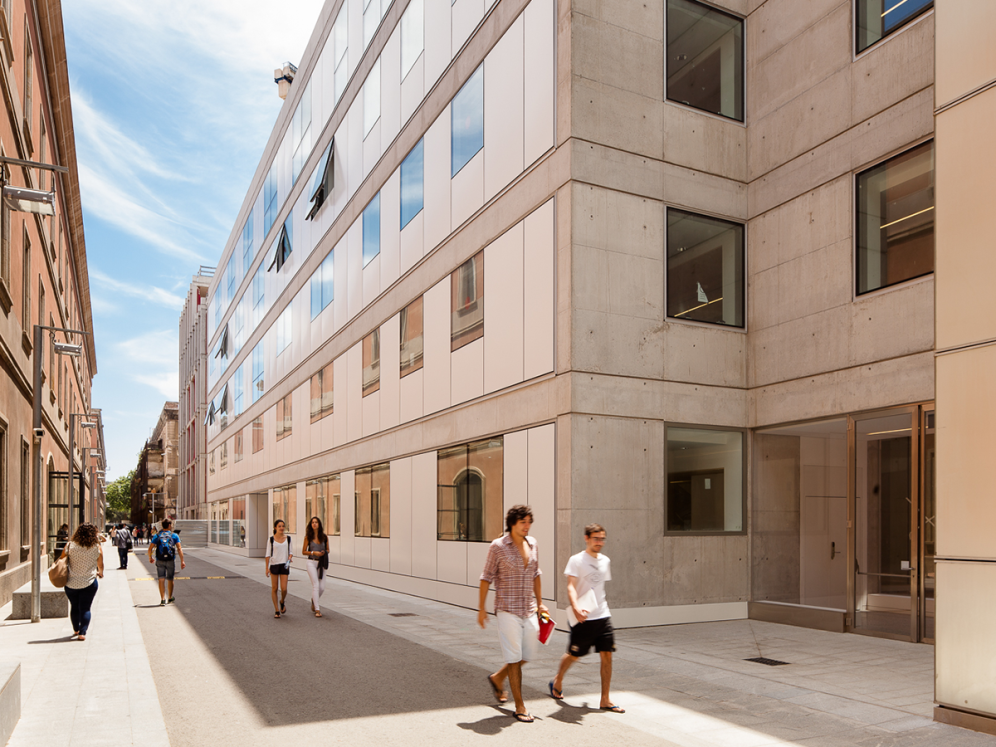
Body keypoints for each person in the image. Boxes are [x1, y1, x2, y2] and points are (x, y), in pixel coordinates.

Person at [478, 505, 548, 723]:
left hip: (528, 608)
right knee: (514, 658)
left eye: (529, 522)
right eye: (523, 522)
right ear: (512, 524)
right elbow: (486, 577)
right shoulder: (498, 546)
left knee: (528, 653)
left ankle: (498, 677)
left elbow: (536, 574)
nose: (527, 526)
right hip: (507, 609)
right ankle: (520, 706)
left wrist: (540, 603)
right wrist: (481, 608)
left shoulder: (533, 543)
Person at [549, 523, 623, 713]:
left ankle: (605, 699)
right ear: (586, 538)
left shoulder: (605, 561)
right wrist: (575, 608)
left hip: (603, 615)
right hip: (582, 617)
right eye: (596, 538)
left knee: (607, 655)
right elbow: (571, 586)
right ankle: (558, 679)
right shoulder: (576, 560)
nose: (599, 542)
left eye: (602, 539)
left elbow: (598, 588)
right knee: (575, 654)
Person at [61, 522, 104, 641]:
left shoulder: (70, 545)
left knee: (74, 606)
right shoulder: (96, 547)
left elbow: (62, 559)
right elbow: (100, 564)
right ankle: (82, 633)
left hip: (71, 582)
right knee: (85, 608)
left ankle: (76, 629)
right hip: (89, 582)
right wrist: (100, 572)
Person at [148, 518, 185, 606]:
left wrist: (150, 557)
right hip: (170, 560)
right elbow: (179, 549)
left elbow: (150, 549)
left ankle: (162, 599)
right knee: (170, 579)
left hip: (160, 560)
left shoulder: (157, 535)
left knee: (161, 579)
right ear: (169, 525)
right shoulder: (174, 535)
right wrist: (182, 561)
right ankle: (170, 597)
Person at [265, 519, 293, 618]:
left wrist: (290, 557)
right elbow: (267, 555)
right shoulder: (271, 539)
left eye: (283, 526)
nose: (281, 528)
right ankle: (277, 610)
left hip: (284, 565)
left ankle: (282, 601)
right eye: (279, 526)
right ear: (275, 527)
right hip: (274, 564)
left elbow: (290, 552)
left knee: (284, 589)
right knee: (275, 588)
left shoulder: (288, 539)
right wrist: (267, 568)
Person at [302, 516, 328, 618]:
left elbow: (328, 549)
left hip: (321, 563)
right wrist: (314, 552)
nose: (314, 524)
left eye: (316, 522)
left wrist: (324, 552)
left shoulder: (324, 537)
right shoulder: (308, 537)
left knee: (322, 588)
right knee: (316, 585)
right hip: (311, 562)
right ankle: (317, 609)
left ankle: (314, 600)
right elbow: (304, 551)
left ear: (319, 524)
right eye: (312, 522)